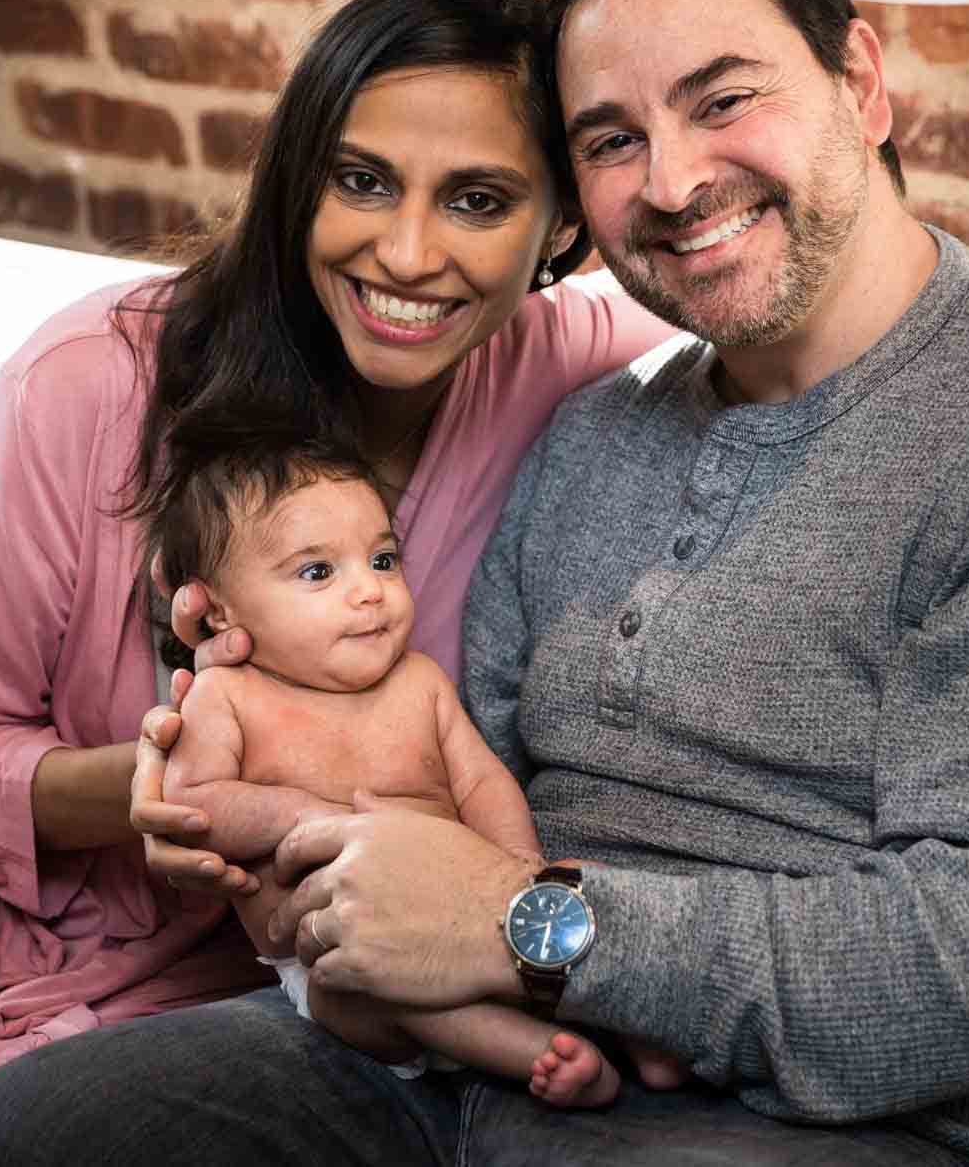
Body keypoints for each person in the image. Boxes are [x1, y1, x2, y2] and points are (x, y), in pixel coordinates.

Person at [0, 0, 969, 1166]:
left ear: (861, 82)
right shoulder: (596, 433)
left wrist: (528, 925)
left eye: (725, 100)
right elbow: (443, 781)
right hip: (455, 1063)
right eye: (612, 139)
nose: (671, 181)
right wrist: (331, 881)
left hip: (868, 1129)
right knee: (25, 1137)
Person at [0, 0, 673, 1166]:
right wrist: (170, 792)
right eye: (359, 180)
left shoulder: (550, 360)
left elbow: (770, 302)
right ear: (293, 178)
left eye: (478, 199)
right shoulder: (86, 381)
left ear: (559, 229)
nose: (409, 253)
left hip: (239, 997)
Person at [150, 427, 676, 1104]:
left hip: (467, 909)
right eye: (318, 571)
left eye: (383, 559)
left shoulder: (419, 682)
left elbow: (482, 781)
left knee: (587, 890)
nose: (369, 591)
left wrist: (519, 872)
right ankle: (537, 1052)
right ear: (219, 609)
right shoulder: (228, 695)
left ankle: (641, 1025)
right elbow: (192, 803)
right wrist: (305, 816)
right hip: (337, 947)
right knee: (375, 987)